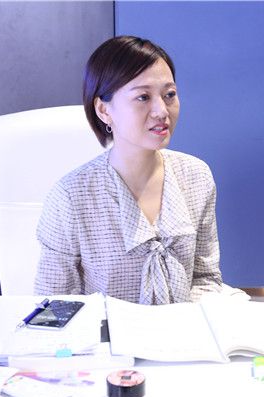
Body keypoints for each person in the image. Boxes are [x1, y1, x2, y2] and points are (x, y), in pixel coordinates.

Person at [34, 36, 223, 304]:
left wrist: (190, 324)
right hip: (103, 330)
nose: (161, 110)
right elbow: (54, 305)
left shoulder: (196, 176)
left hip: (185, 327)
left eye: (169, 95)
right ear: (104, 110)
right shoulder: (70, 196)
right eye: (143, 97)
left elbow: (205, 279)